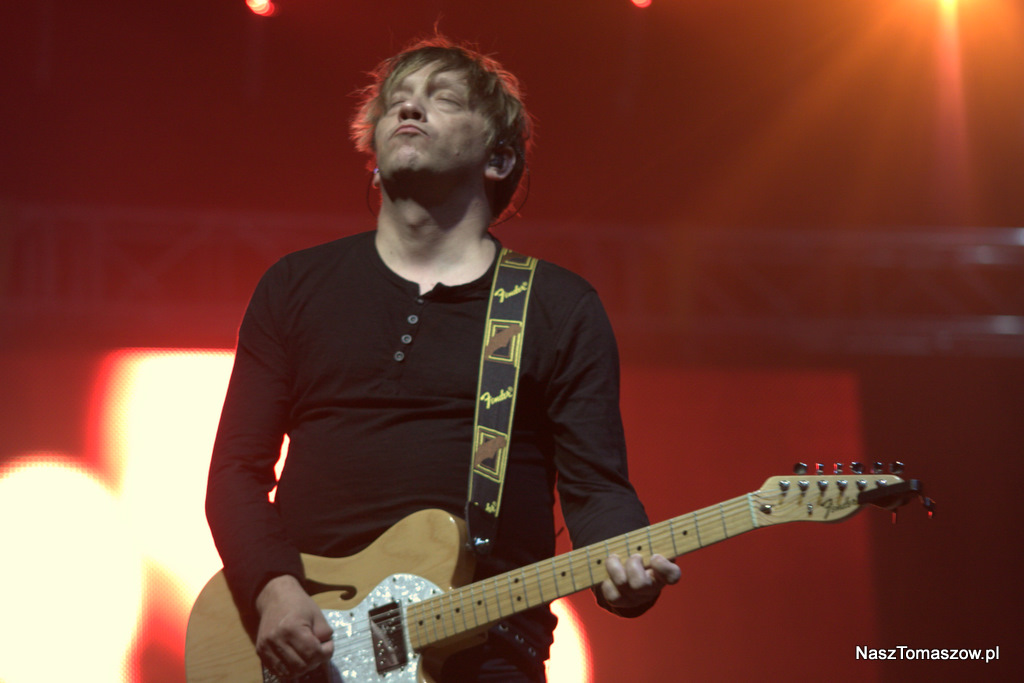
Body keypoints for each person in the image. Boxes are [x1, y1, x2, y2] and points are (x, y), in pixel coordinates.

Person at [205, 35, 679, 682]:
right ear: (374, 160)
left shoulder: (556, 306)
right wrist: (273, 588)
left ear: (499, 157)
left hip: (482, 649)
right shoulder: (296, 286)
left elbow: (597, 490)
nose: (409, 108)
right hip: (312, 646)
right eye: (396, 101)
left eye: (443, 99)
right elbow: (235, 470)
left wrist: (628, 574)